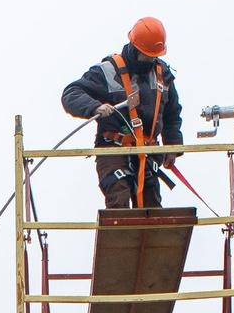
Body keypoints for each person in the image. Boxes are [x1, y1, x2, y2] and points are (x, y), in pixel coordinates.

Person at [61, 17, 183, 209]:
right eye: (147, 54)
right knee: (118, 196)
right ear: (135, 48)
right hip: (114, 149)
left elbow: (172, 114)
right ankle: (120, 238)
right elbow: (71, 94)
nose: (151, 59)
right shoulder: (108, 72)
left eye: (154, 55)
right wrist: (95, 107)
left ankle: (152, 239)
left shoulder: (162, 75)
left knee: (152, 208)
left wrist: (173, 147)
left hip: (148, 152)